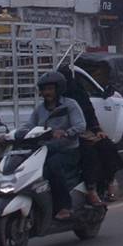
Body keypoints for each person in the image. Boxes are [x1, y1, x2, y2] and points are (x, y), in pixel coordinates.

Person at [25, 71, 88, 220]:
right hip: (44, 150)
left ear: (58, 89)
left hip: (67, 151)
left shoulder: (70, 105)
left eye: (50, 89)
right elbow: (28, 126)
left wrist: (66, 132)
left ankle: (64, 206)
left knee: (53, 166)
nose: (46, 92)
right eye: (44, 89)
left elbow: (81, 125)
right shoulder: (39, 109)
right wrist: (10, 135)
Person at [64, 71, 123, 204]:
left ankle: (110, 182)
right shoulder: (55, 104)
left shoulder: (78, 95)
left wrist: (97, 130)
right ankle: (91, 189)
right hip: (69, 138)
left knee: (107, 146)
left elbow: (88, 114)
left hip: (85, 132)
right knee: (89, 154)